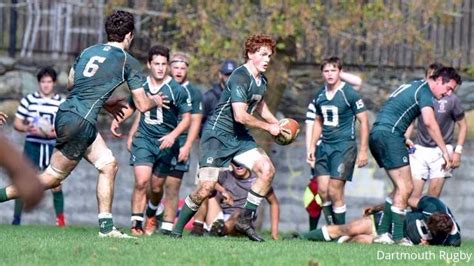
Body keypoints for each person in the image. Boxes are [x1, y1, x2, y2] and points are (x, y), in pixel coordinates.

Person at [0, 10, 167, 238]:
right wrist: (155, 99)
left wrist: (104, 100)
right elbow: (142, 104)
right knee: (51, 177)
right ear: (129, 35)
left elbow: (71, 83)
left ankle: (106, 228)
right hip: (81, 120)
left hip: (68, 113)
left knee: (108, 165)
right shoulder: (128, 61)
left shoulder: (89, 51)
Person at [171, 33, 283, 242]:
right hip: (216, 136)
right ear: (250, 54)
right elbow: (240, 115)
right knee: (205, 189)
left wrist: (276, 123)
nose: (268, 59)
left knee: (267, 170)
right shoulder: (240, 76)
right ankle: (176, 231)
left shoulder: (262, 80)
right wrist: (268, 127)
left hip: (239, 137)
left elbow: (259, 105)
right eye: (263, 54)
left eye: (270, 55)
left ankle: (245, 219)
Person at [369, 67, 461, 245]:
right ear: (439, 80)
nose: (449, 94)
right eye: (448, 88)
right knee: (406, 188)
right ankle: (397, 237)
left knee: (400, 187)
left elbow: (402, 113)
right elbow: (429, 122)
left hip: (380, 133)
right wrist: (444, 151)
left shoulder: (414, 86)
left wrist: (404, 137)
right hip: (389, 135)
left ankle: (382, 234)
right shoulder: (425, 91)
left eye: (452, 91)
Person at [110, 45, 191, 236]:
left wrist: (172, 136)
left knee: (156, 187)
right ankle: (136, 224)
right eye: (157, 64)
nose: (160, 68)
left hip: (166, 144)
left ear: (168, 66)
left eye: (164, 64)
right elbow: (132, 106)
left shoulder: (177, 90)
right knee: (141, 181)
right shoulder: (141, 85)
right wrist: (117, 120)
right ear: (149, 64)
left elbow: (187, 118)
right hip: (144, 140)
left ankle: (152, 212)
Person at [141, 52, 202, 235]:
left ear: (187, 70)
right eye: (175, 67)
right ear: (169, 67)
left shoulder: (193, 92)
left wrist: (187, 145)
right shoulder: (159, 86)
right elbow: (144, 112)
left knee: (173, 186)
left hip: (180, 144)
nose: (179, 71)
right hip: (156, 142)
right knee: (151, 184)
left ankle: (167, 227)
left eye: (183, 68)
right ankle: (154, 214)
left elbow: (194, 121)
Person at [307, 57, 369, 226]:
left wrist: (363, 150)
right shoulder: (320, 95)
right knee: (322, 190)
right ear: (322, 74)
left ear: (340, 72)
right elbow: (318, 121)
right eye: (326, 71)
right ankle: (331, 228)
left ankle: (340, 230)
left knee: (335, 191)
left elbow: (364, 120)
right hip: (324, 147)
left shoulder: (349, 93)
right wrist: (312, 146)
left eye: (333, 70)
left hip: (344, 148)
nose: (329, 74)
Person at [11, 67, 66, 226]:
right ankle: (16, 220)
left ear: (54, 83)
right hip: (32, 145)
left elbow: (65, 127)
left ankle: (60, 221)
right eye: (43, 82)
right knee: (24, 182)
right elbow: (17, 124)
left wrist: (54, 132)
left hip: (52, 146)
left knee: (55, 183)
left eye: (49, 82)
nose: (46, 85)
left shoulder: (61, 102)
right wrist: (28, 128)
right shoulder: (29, 100)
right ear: (39, 83)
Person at [405, 63, 467, 199]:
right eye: (429, 77)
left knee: (432, 199)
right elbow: (411, 121)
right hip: (420, 149)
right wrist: (406, 138)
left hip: (441, 152)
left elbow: (463, 125)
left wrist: (458, 151)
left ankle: (427, 219)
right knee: (412, 197)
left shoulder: (452, 99)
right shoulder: (420, 95)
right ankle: (411, 220)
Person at [300, 196, 461, 247]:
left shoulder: (452, 241)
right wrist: (378, 208)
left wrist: (427, 246)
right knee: (348, 228)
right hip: (386, 221)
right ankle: (301, 238)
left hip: (396, 240)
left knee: (361, 240)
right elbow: (403, 199)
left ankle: (339, 245)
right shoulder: (434, 206)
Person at [205, 161, 280, 240]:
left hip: (241, 221)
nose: (238, 165)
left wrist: (274, 233)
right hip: (219, 215)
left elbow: (274, 203)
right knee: (207, 190)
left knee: (239, 212)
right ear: (230, 163)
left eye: (240, 161)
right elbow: (205, 179)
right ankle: (199, 226)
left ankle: (221, 230)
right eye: (235, 162)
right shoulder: (225, 175)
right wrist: (223, 191)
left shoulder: (258, 181)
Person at [201, 60, 237, 131]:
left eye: (233, 74)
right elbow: (198, 121)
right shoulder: (209, 97)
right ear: (220, 75)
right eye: (227, 74)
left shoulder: (240, 96)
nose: (230, 78)